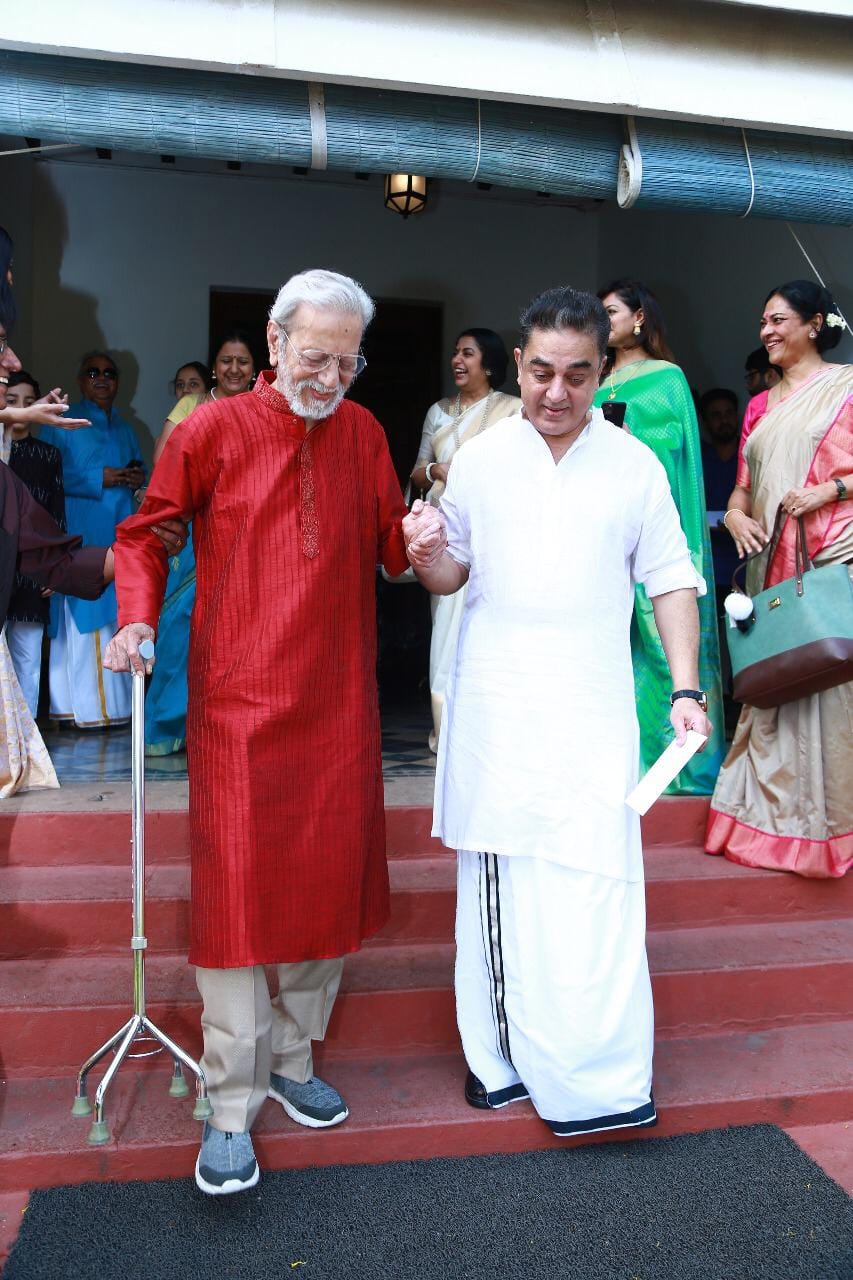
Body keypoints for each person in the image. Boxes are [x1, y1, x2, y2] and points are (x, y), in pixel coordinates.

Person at [104, 269, 408, 1196]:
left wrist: (429, 542)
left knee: (323, 886)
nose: (329, 378)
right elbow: (146, 533)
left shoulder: (364, 432)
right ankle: (230, 1104)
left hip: (338, 700)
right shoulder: (211, 430)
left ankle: (293, 1060)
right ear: (274, 344)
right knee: (236, 904)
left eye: (346, 362)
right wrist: (136, 616)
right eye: (314, 357)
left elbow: (395, 546)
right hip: (238, 698)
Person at [403, 285, 711, 1138]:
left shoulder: (631, 464)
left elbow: (671, 579)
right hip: (499, 709)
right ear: (519, 364)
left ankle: (603, 1076)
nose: (556, 392)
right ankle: (499, 1063)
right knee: (503, 885)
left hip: (594, 708)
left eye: (577, 374)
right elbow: (447, 573)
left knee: (597, 889)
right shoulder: (484, 456)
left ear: (601, 370)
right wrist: (424, 552)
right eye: (541, 371)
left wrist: (684, 690)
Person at [707, 279, 852, 879]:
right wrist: (737, 514)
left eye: (777, 320)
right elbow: (742, 486)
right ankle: (772, 818)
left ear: (814, 324)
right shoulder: (761, 405)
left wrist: (832, 489)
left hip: (833, 550)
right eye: (762, 322)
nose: (765, 331)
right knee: (779, 674)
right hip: (771, 558)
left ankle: (832, 823)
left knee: (831, 676)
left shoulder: (846, 388)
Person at [593, 278, 724, 793]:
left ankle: (677, 768)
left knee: (661, 641)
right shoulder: (594, 380)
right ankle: (621, 761)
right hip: (605, 531)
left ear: (639, 317)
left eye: (611, 312)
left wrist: (630, 440)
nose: (604, 323)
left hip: (652, 524)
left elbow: (674, 452)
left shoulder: (666, 378)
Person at [409, 330, 520, 751]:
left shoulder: (512, 411)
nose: (457, 359)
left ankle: (487, 732)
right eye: (455, 352)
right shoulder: (439, 412)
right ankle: (446, 728)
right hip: (447, 531)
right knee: (446, 631)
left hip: (495, 534)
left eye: (467, 354)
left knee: (489, 627)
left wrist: (472, 471)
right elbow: (418, 471)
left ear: (488, 364)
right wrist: (440, 470)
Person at [144, 339, 255, 756]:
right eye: (226, 360)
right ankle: (167, 725)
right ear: (214, 367)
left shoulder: (263, 406)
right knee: (181, 625)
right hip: (194, 528)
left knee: (238, 630)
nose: (234, 369)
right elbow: (164, 462)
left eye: (242, 362)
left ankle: (222, 728)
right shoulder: (191, 405)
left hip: (246, 532)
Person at [40, 351, 147, 728]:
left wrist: (134, 478)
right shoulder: (62, 421)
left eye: (109, 373)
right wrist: (97, 478)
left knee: (111, 618)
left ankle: (100, 710)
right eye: (93, 372)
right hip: (79, 534)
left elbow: (137, 470)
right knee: (79, 624)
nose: (102, 378)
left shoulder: (125, 427)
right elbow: (43, 475)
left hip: (118, 534)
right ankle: (85, 710)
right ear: (81, 380)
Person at [3, 370, 66, 716]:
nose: (22, 410)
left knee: (28, 659)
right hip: (2, 566)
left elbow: (56, 514)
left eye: (30, 402)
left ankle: (26, 747)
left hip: (33, 569)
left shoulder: (48, 455)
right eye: (12, 402)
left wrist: (55, 566)